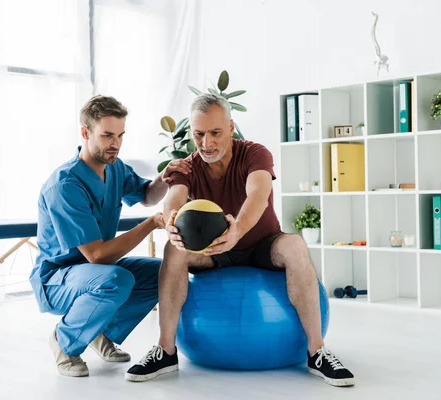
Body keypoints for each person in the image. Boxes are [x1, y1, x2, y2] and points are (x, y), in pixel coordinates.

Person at [126, 94, 355, 387]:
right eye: (199, 134)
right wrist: (172, 223)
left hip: (263, 244)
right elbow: (174, 200)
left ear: (231, 127)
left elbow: (257, 195)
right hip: (214, 250)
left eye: (215, 133)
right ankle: (166, 351)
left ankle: (317, 352)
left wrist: (237, 230)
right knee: (174, 249)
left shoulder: (255, 154)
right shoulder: (188, 166)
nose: (206, 143)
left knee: (295, 245)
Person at [29, 95, 191, 377]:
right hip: (58, 278)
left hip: (95, 271)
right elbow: (98, 255)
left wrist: (165, 178)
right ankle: (65, 342)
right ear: (85, 132)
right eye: (106, 135)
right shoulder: (65, 185)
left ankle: (98, 331)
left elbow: (146, 196)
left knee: (165, 273)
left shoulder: (114, 168)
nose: (115, 143)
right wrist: (151, 224)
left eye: (120, 135)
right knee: (117, 279)